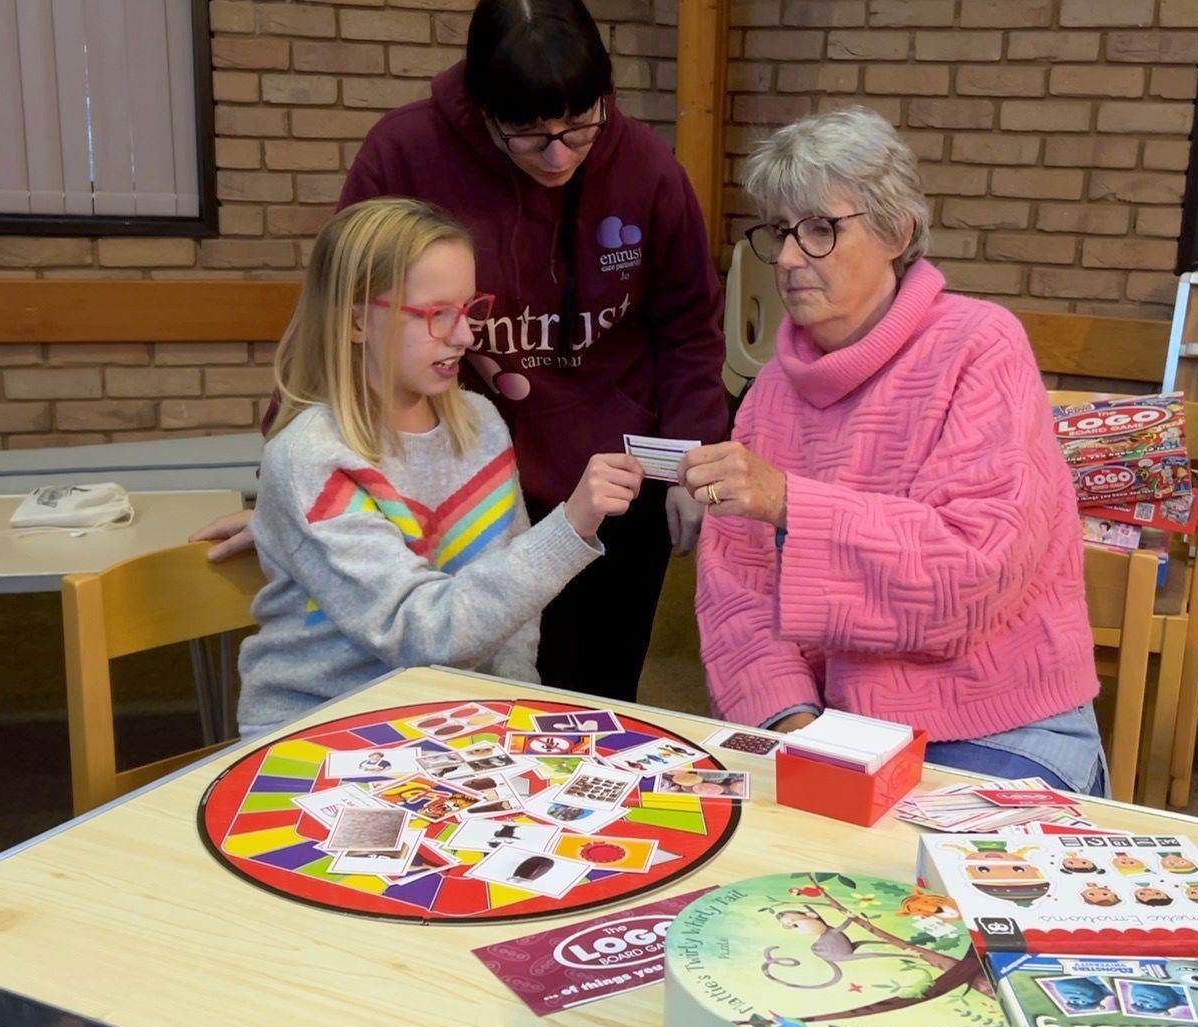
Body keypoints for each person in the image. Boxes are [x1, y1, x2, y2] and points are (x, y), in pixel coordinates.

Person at [197, 0, 726, 704]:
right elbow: (337, 307)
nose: (561, 154)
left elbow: (691, 325)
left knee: (585, 699)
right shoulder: (405, 151)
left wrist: (690, 456)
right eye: (531, 135)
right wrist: (288, 501)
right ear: (483, 110)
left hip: (592, 489)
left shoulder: (650, 169)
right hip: (445, 493)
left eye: (580, 127)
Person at [684, 108, 1107, 795]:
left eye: (821, 229)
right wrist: (792, 724)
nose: (789, 258)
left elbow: (971, 574)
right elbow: (735, 592)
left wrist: (790, 501)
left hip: (992, 727)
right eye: (780, 232)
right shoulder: (767, 393)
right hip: (829, 730)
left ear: (896, 231)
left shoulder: (981, 347)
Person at [235, 198, 642, 739]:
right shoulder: (309, 456)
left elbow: (514, 615)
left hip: (451, 726)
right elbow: (421, 633)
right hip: (322, 729)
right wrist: (569, 528)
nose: (465, 336)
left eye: (470, 308)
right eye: (436, 315)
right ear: (358, 321)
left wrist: (515, 706)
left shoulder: (479, 423)